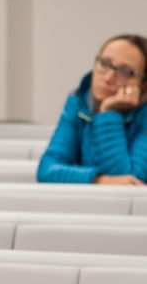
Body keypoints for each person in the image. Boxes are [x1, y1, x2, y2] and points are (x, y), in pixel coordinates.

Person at [38, 34, 147, 185]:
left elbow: (130, 183)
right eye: (104, 63)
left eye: (125, 71)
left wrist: (109, 113)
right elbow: (47, 170)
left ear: (143, 84)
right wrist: (98, 180)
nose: (108, 78)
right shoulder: (79, 102)